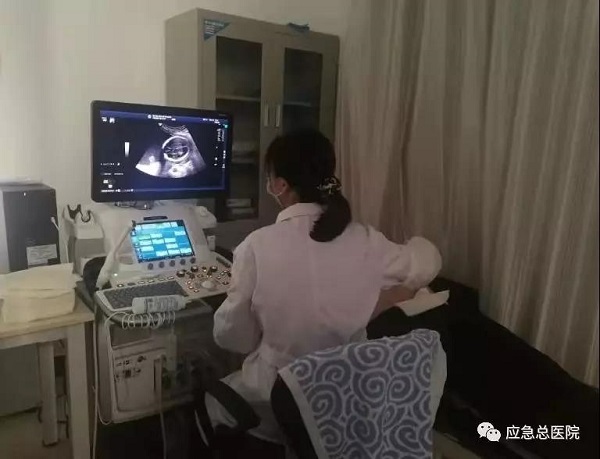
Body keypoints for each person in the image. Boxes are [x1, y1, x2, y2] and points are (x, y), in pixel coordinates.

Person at [208, 129, 443, 443]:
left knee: (212, 402)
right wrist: (399, 283)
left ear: (279, 185)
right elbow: (428, 261)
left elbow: (232, 337)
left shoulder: (255, 246)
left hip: (276, 401)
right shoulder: (366, 239)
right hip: (344, 401)